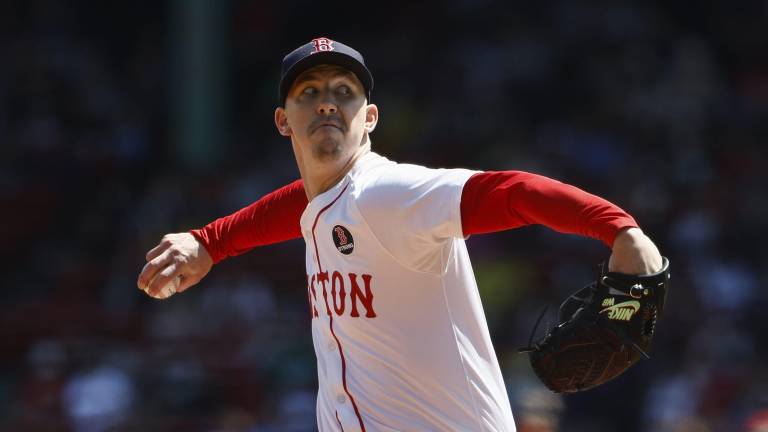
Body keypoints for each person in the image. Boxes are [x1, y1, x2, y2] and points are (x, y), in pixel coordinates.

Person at [137, 37, 663, 431]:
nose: (326, 103)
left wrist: (618, 228)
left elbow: (511, 191)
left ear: (369, 118)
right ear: (283, 120)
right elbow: (302, 203)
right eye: (309, 92)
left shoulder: (389, 193)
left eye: (344, 92)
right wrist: (211, 242)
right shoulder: (327, 202)